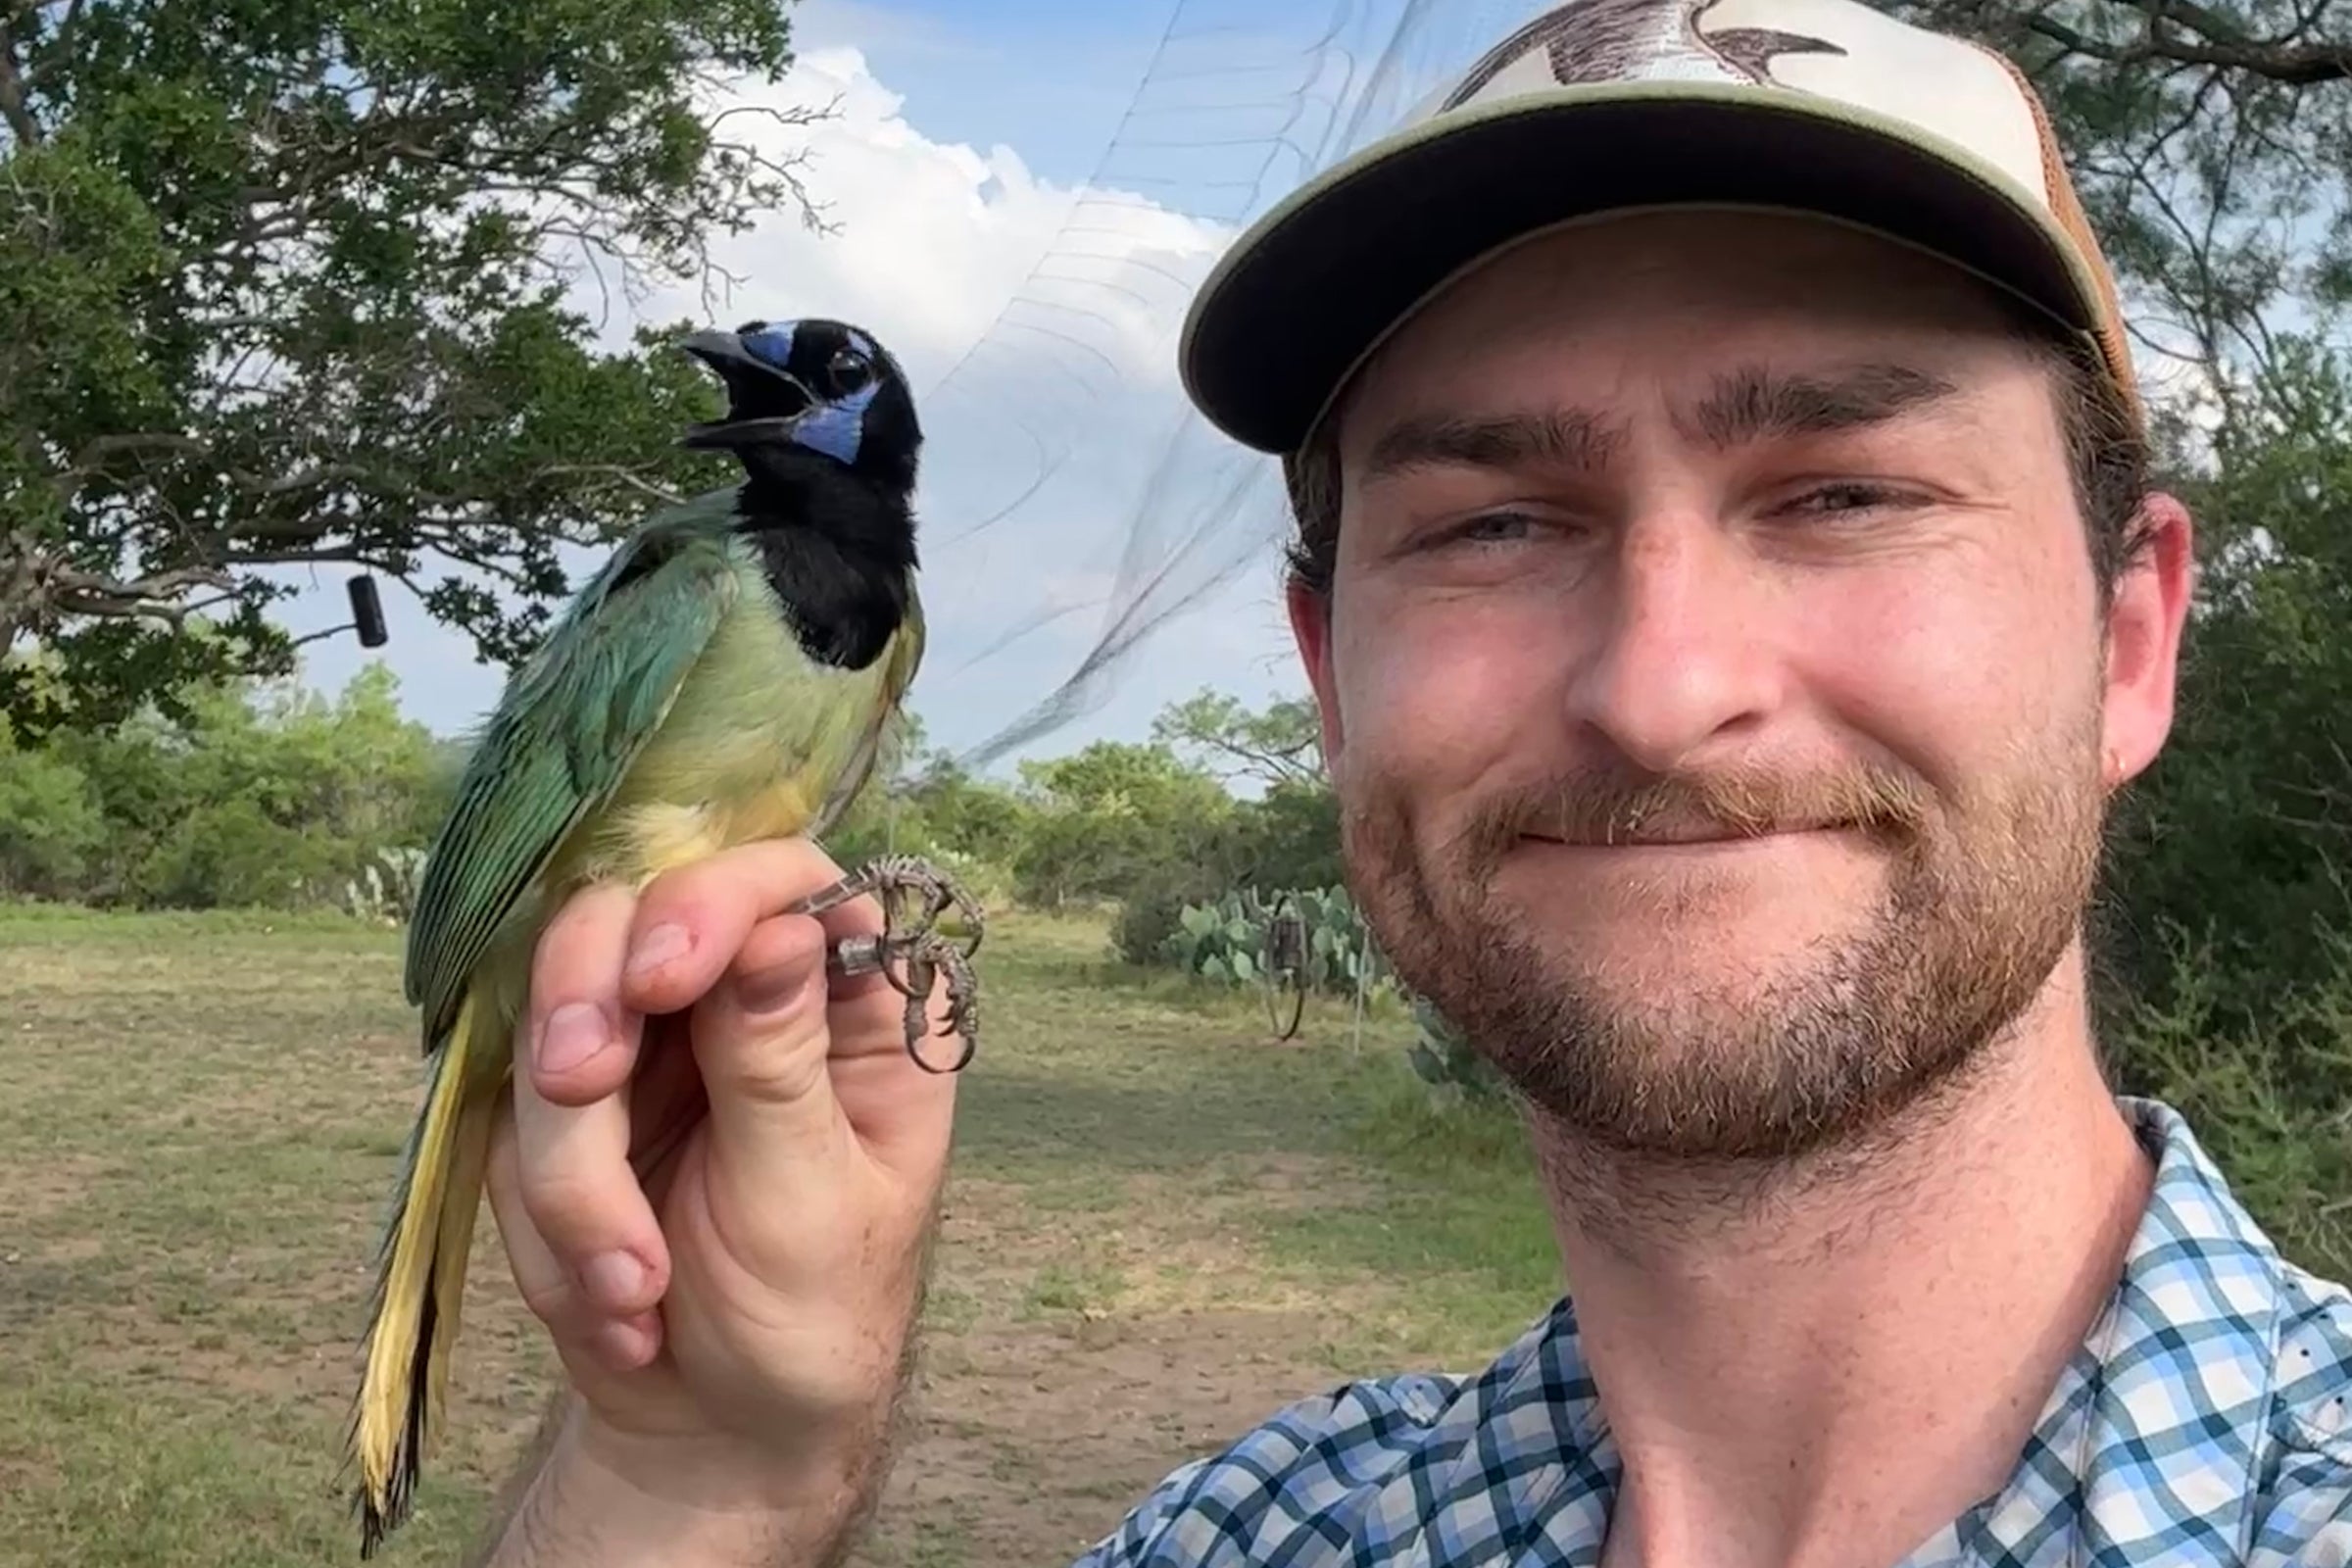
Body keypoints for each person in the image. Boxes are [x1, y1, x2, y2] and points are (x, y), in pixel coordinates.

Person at [466, 0, 2352, 1564]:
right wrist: (698, 1480)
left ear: (2130, 644)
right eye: (1497, 521)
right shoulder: (1248, 1539)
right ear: (1329, 684)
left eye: (1844, 494)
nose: (1659, 688)